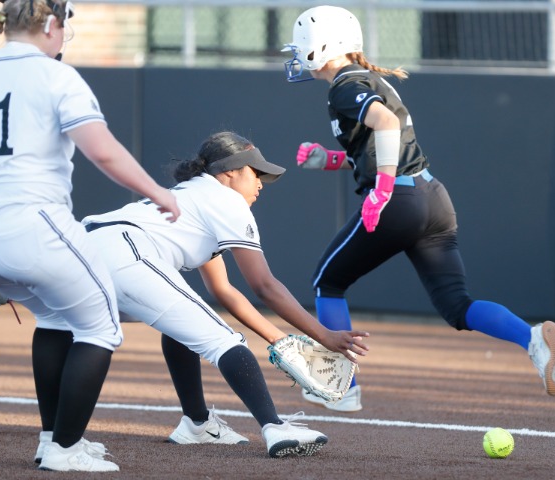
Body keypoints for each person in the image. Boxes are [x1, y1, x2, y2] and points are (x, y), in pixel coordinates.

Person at [281, 5, 555, 412]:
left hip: (399, 200)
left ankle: (341, 387)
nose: (297, 54)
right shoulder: (365, 79)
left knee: (327, 282)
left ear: (323, 46)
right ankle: (532, 338)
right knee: (457, 305)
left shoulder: (344, 85)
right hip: (432, 197)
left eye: (301, 45)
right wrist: (328, 159)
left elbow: (386, 125)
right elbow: (377, 149)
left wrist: (382, 190)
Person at [0, 0, 180, 472]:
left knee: (56, 318)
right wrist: (156, 191)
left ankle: (51, 438)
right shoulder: (56, 75)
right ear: (52, 23)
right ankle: (65, 448)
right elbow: (103, 152)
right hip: (32, 227)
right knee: (101, 327)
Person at [81, 131, 370, 457]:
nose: (261, 184)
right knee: (224, 340)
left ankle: (194, 423)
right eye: (255, 173)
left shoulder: (195, 196)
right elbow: (264, 285)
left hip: (81, 251)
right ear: (230, 171)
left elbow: (224, 290)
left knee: (176, 323)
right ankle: (275, 427)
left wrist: (279, 339)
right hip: (125, 251)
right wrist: (323, 335)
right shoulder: (226, 200)